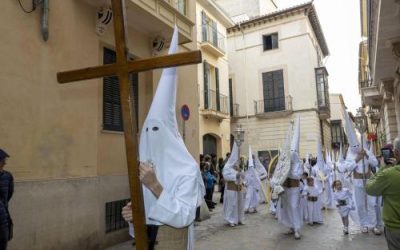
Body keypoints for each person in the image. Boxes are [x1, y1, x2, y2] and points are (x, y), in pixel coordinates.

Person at [121, 27, 205, 250]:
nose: (151, 138)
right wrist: (132, 216)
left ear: (170, 136)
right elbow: (143, 220)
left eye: (156, 131)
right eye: (147, 132)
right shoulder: (145, 169)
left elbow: (186, 215)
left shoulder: (187, 170)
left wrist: (155, 186)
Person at [341, 108, 380, 234]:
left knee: (371, 203)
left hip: (369, 180)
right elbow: (347, 168)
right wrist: (357, 159)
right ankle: (364, 224)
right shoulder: (350, 154)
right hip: (357, 181)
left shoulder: (366, 150)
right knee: (360, 204)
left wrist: (367, 155)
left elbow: (375, 163)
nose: (356, 147)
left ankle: (374, 224)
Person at [366, 137, 400, 250]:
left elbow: (369, 188)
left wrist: (382, 169)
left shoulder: (388, 174)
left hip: (395, 228)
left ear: (396, 153)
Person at [276, 117, 303, 240]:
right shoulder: (284, 161)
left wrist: (288, 171)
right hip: (285, 188)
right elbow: (277, 174)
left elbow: (297, 176)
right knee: (286, 207)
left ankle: (297, 228)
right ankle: (291, 226)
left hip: (294, 188)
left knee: (293, 206)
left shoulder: (299, 164)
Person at [223, 142, 245, 227]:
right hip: (231, 188)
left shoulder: (237, 167)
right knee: (232, 204)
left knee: (240, 204)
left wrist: (241, 172)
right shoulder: (227, 167)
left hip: (239, 188)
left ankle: (239, 219)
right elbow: (225, 176)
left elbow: (243, 176)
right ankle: (230, 219)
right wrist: (235, 175)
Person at [0, 149, 13, 250]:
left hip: (2, 220)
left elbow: (8, 195)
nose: (5, 163)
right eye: (2, 160)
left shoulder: (7, 176)